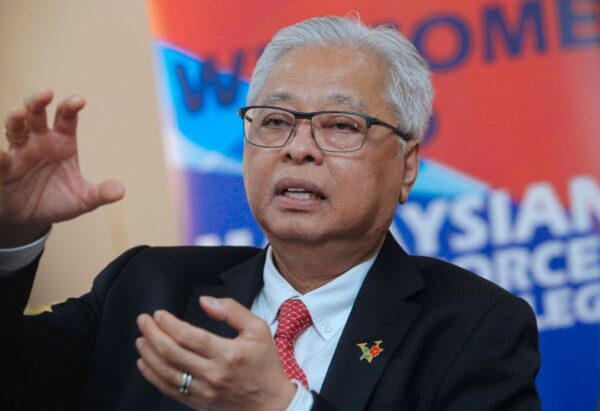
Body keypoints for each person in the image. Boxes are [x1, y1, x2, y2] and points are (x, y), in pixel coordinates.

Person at [0, 16, 540, 411]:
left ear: (407, 165)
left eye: (340, 125)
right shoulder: (149, 286)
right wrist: (12, 235)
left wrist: (280, 406)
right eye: (276, 121)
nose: (298, 148)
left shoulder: (474, 328)